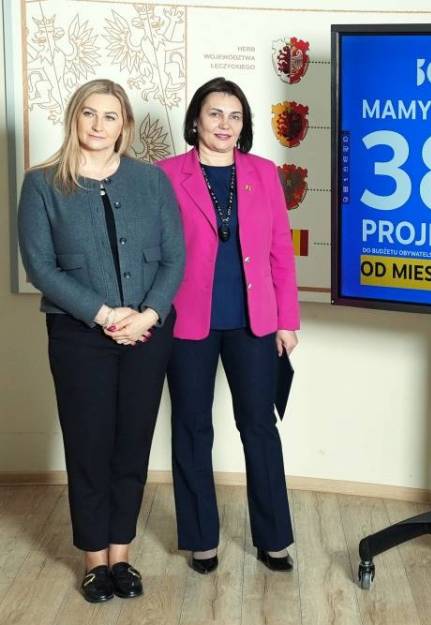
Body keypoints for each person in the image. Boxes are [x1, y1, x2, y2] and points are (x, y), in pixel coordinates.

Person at [17, 79, 185, 603]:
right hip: (78, 334)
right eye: (89, 113)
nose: (98, 125)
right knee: (88, 445)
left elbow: (174, 256)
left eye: (110, 116)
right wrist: (105, 314)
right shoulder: (42, 184)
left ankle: (121, 555)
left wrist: (149, 314)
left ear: (124, 125)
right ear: (75, 117)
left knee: (132, 444)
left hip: (148, 332)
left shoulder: (151, 181)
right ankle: (94, 561)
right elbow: (40, 267)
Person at [157, 77, 301, 575]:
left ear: (244, 125)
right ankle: (201, 539)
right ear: (196, 120)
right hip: (186, 322)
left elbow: (280, 251)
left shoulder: (264, 173)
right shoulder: (166, 174)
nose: (225, 124)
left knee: (259, 426)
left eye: (235, 116)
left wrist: (287, 321)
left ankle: (274, 538)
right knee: (191, 427)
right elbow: (156, 250)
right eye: (215, 113)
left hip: (254, 323)